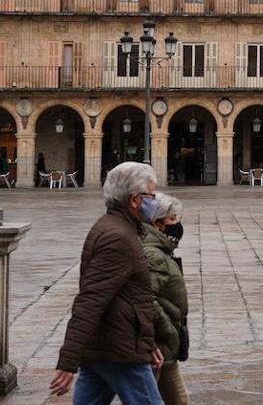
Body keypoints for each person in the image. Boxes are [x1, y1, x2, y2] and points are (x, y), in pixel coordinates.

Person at [50, 161, 163, 405]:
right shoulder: (118, 237)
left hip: (103, 347)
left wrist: (148, 343)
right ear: (135, 200)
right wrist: (68, 361)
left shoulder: (114, 227)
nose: (156, 202)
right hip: (119, 352)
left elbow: (128, 297)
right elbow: (90, 300)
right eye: (152, 195)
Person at [142, 193, 189, 405]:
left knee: (179, 401)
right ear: (156, 221)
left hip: (166, 344)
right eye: (171, 219)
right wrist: (167, 330)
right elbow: (145, 298)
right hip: (159, 343)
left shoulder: (162, 249)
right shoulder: (153, 254)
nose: (177, 224)